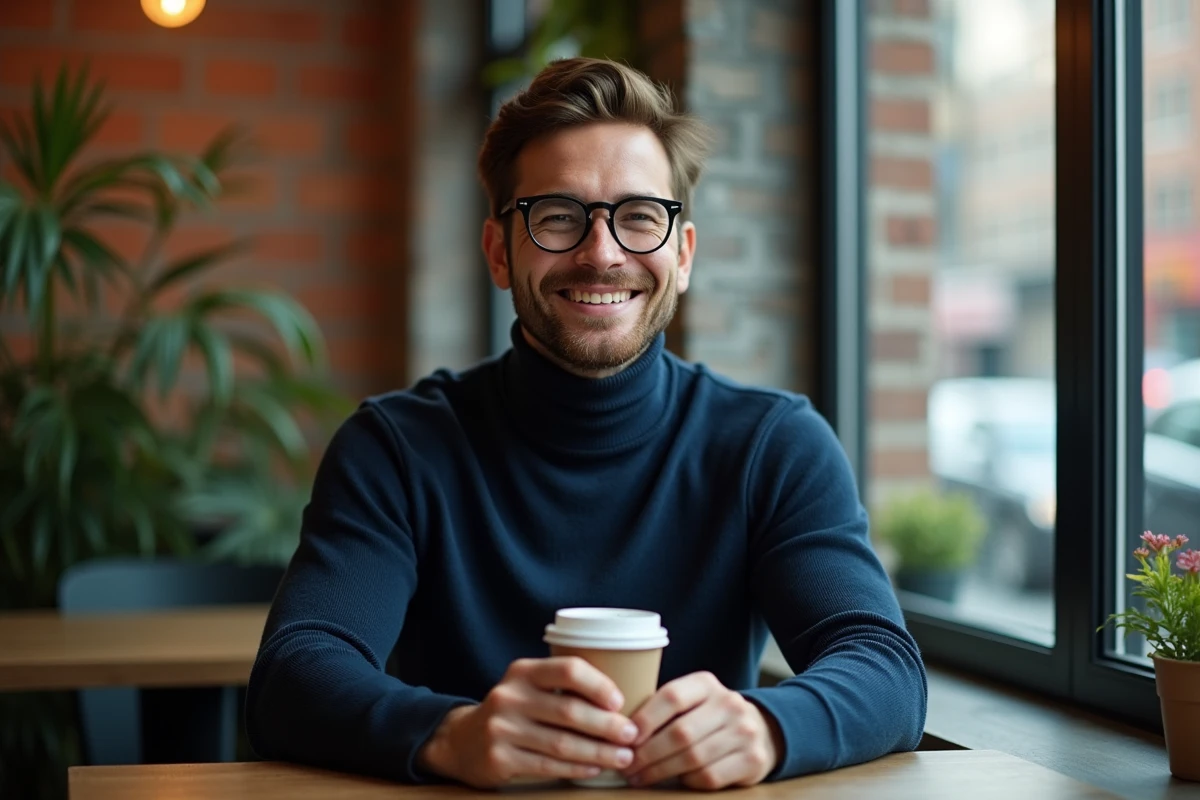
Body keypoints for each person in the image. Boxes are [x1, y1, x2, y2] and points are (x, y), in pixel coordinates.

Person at [246, 57, 927, 791]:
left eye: (640, 216)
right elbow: (296, 671)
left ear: (683, 254)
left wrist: (768, 727)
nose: (601, 254)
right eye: (559, 217)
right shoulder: (397, 448)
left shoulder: (772, 446)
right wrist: (450, 734)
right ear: (499, 252)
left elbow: (884, 666)